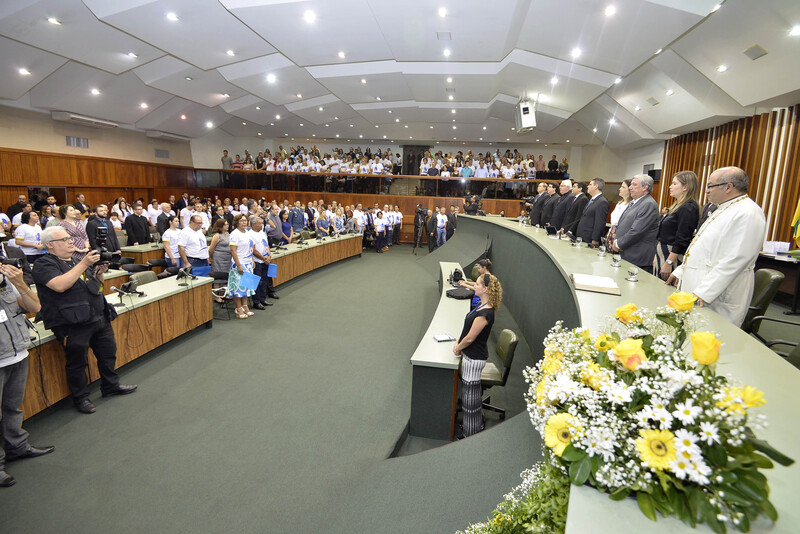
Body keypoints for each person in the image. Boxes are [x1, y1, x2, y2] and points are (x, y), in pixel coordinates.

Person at [33, 227, 137, 414]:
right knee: (78, 362)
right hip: (71, 324)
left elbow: (96, 287)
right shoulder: (44, 264)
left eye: (70, 238)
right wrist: (84, 264)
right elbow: (60, 285)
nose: (70, 241)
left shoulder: (75, 261)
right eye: (64, 239)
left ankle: (110, 385)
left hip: (97, 316)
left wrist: (99, 272)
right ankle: (80, 397)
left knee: (108, 354)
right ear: (50, 245)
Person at [666, 167, 766, 326]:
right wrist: (680, 271)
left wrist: (705, 291)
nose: (706, 190)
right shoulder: (723, 208)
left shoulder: (748, 212)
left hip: (718, 294)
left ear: (728, 187)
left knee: (712, 335)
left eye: (710, 186)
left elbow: (736, 259)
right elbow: (702, 247)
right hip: (699, 285)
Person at [0, 261, 54, 487]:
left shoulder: (6, 281)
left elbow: (35, 306)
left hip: (17, 353)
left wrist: (19, 283)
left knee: (13, 407)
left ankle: (17, 447)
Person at [453, 273, 502, 438]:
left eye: (478, 284)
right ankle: (472, 426)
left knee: (470, 400)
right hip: (471, 356)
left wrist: (458, 347)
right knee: (469, 396)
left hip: (474, 359)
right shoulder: (482, 305)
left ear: (486, 289)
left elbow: (470, 338)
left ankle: (471, 433)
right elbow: (467, 331)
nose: (475, 286)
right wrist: (459, 342)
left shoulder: (485, 313)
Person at [655, 171, 700, 280]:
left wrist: (669, 262)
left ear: (685, 187)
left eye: (674, 184)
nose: (670, 187)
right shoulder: (677, 205)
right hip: (664, 252)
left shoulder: (688, 207)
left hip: (672, 255)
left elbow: (682, 239)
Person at [611, 174, 659, 272]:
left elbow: (637, 231)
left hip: (638, 258)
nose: (630, 187)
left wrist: (618, 244)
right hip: (627, 254)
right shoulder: (635, 202)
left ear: (645, 187)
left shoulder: (648, 204)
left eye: (634, 185)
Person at [227, 214, 255, 319]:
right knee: (238, 287)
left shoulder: (247, 232)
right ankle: (238, 308)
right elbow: (233, 250)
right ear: (237, 222)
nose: (244, 222)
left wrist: (252, 260)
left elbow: (250, 248)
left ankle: (245, 306)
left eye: (245, 220)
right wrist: (238, 265)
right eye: (241, 220)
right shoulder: (235, 234)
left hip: (248, 262)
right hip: (239, 263)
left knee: (246, 286)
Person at [576, 178, 610, 247]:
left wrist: (595, 239)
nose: (588, 186)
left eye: (590, 184)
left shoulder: (602, 202)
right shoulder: (592, 200)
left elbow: (600, 222)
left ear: (596, 186)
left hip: (589, 238)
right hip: (582, 235)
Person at [248, 217, 273, 310]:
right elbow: (253, 250)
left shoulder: (262, 233)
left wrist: (269, 256)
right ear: (253, 225)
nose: (262, 225)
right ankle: (256, 302)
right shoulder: (250, 234)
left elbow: (267, 245)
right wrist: (263, 258)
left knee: (264, 281)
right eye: (259, 223)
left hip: (265, 261)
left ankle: (263, 299)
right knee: (258, 282)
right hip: (257, 261)